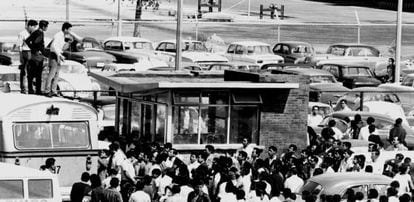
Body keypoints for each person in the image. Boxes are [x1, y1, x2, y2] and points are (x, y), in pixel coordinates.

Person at [46, 22, 82, 97]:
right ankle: (47, 90)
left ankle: (53, 91)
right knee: (52, 74)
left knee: (56, 75)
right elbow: (53, 47)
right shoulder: (58, 35)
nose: (70, 31)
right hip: (54, 55)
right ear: (65, 29)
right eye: (69, 29)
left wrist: (70, 38)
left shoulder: (63, 36)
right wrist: (59, 55)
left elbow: (79, 40)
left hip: (58, 55)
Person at [25, 20, 48, 95]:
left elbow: (27, 41)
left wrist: (32, 49)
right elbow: (39, 45)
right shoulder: (40, 33)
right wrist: (38, 51)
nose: (47, 28)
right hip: (37, 56)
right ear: (43, 26)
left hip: (33, 55)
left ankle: (31, 89)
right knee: (38, 74)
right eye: (46, 26)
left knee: (31, 74)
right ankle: (38, 90)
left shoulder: (36, 32)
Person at [17, 19, 38, 94]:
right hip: (25, 52)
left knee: (31, 72)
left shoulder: (34, 33)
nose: (35, 28)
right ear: (30, 26)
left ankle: (30, 88)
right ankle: (23, 88)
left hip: (32, 52)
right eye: (34, 27)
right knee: (24, 71)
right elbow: (19, 45)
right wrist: (20, 56)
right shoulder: (22, 33)